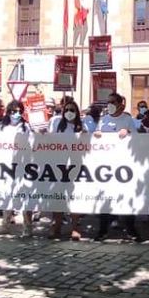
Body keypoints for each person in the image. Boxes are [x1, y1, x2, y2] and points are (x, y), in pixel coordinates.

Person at [93, 93, 141, 241]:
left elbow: (137, 138)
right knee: (104, 198)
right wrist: (97, 134)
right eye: (108, 102)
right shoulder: (104, 120)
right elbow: (96, 136)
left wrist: (128, 132)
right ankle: (102, 230)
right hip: (106, 166)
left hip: (124, 165)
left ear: (121, 104)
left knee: (127, 197)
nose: (110, 105)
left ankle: (131, 230)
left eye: (113, 102)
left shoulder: (127, 120)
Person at [0, 100, 37, 236]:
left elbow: (33, 143)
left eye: (19, 111)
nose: (16, 114)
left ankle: (27, 226)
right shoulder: (2, 127)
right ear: (8, 112)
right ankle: (5, 224)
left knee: (25, 195)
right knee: (7, 195)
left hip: (23, 165)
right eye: (13, 111)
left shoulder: (26, 127)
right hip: (7, 165)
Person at [49, 101, 85, 240]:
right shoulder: (57, 125)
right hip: (59, 166)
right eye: (67, 109)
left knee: (75, 197)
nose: (69, 112)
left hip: (76, 166)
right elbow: (49, 139)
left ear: (77, 112)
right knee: (58, 196)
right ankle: (56, 226)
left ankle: (75, 227)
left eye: (72, 110)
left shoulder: (82, 126)